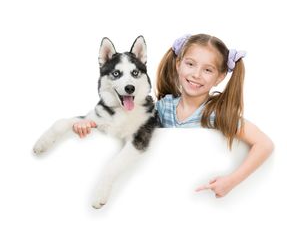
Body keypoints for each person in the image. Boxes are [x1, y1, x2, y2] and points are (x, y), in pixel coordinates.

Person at [73, 33, 274, 198]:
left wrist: (230, 182)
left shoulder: (217, 113)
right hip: (160, 191)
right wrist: (87, 123)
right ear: (178, 64)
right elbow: (122, 120)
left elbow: (264, 144)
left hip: (197, 195)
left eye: (207, 69)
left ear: (220, 77)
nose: (196, 74)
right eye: (191, 64)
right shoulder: (163, 107)